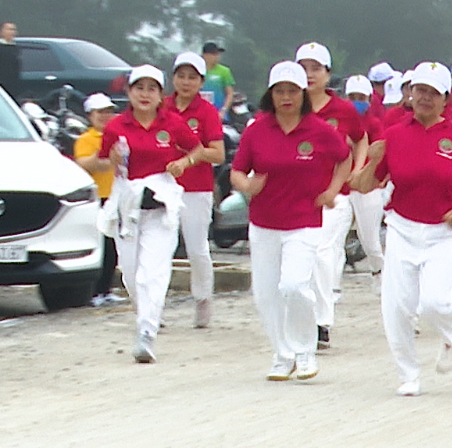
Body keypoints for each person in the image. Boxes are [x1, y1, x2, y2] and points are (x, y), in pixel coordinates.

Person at [351, 62, 452, 396]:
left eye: (432, 93)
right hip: (402, 228)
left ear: (444, 99)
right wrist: (372, 158)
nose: (424, 98)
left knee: (435, 302)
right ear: (410, 94)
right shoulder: (394, 134)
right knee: (398, 305)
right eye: (419, 91)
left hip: (444, 231)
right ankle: (408, 373)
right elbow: (365, 184)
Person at [231, 62, 351, 381]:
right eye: (280, 91)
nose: (286, 97)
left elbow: (345, 158)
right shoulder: (257, 129)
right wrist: (247, 186)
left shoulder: (320, 130)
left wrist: (332, 190)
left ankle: (305, 350)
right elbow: (238, 170)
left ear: (303, 94)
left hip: (304, 221)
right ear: (271, 94)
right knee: (266, 294)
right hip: (264, 223)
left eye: (293, 91)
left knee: (295, 285)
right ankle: (282, 355)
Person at [99, 66, 207, 364]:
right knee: (132, 274)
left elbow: (198, 149)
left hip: (161, 205)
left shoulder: (172, 123)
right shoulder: (116, 126)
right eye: (139, 88)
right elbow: (101, 162)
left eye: (151, 89)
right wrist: (111, 159)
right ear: (129, 92)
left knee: (153, 272)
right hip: (127, 207)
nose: (144, 94)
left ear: (161, 95)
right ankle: (145, 314)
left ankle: (146, 332)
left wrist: (183, 163)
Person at [297, 41, 368, 349]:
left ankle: (321, 321)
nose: (310, 75)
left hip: (335, 195)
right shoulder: (288, 104)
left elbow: (360, 139)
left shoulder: (343, 110)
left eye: (316, 69)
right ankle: (301, 316)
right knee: (303, 256)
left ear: (328, 74)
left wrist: (358, 168)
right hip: (297, 195)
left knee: (324, 255)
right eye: (304, 68)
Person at [162, 52, 226, 328]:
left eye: (192, 78)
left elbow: (218, 154)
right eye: (181, 76)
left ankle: (202, 299)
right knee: (160, 248)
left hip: (195, 189)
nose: (186, 82)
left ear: (201, 82)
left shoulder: (206, 112)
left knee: (197, 248)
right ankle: (155, 305)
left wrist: (190, 157)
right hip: (162, 187)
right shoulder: (161, 107)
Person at [72, 93, 124, 306]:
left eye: (108, 112)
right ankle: (94, 292)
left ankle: (106, 289)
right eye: (100, 112)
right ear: (90, 115)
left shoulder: (120, 137)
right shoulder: (86, 139)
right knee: (101, 246)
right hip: (97, 199)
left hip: (117, 196)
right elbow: (86, 164)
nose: (105, 116)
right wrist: (105, 152)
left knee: (113, 248)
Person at [343, 75, 387, 275]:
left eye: (361, 97)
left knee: (369, 240)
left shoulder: (375, 124)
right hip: (341, 187)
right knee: (333, 240)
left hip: (367, 186)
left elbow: (377, 154)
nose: (356, 102)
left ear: (369, 100)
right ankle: (333, 287)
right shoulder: (339, 122)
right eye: (352, 97)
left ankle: (379, 273)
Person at [201, 43, 236, 116]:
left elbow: (230, 93)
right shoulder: (197, 71)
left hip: (219, 113)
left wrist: (223, 110)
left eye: (218, 54)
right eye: (214, 54)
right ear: (205, 55)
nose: (217, 57)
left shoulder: (224, 71)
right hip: (200, 112)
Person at [0, 21, 19, 95]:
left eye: (13, 30)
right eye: (9, 29)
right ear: (1, 31)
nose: (12, 32)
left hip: (13, 85)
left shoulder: (15, 47)